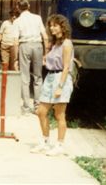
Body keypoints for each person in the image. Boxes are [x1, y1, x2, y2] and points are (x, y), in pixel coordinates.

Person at [31, 14, 74, 156]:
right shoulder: (55, 43)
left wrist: (60, 87)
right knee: (41, 111)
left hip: (61, 78)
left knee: (59, 114)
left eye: (55, 25)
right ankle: (45, 141)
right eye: (50, 25)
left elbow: (66, 67)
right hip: (50, 77)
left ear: (62, 27)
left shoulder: (67, 44)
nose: (51, 27)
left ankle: (60, 144)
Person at [14, 0, 48, 113]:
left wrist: (15, 58)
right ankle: (37, 105)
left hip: (24, 45)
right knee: (38, 77)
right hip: (38, 46)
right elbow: (45, 36)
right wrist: (46, 53)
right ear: (28, 6)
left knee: (25, 77)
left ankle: (26, 106)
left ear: (18, 8)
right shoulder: (37, 18)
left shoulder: (17, 21)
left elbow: (15, 41)